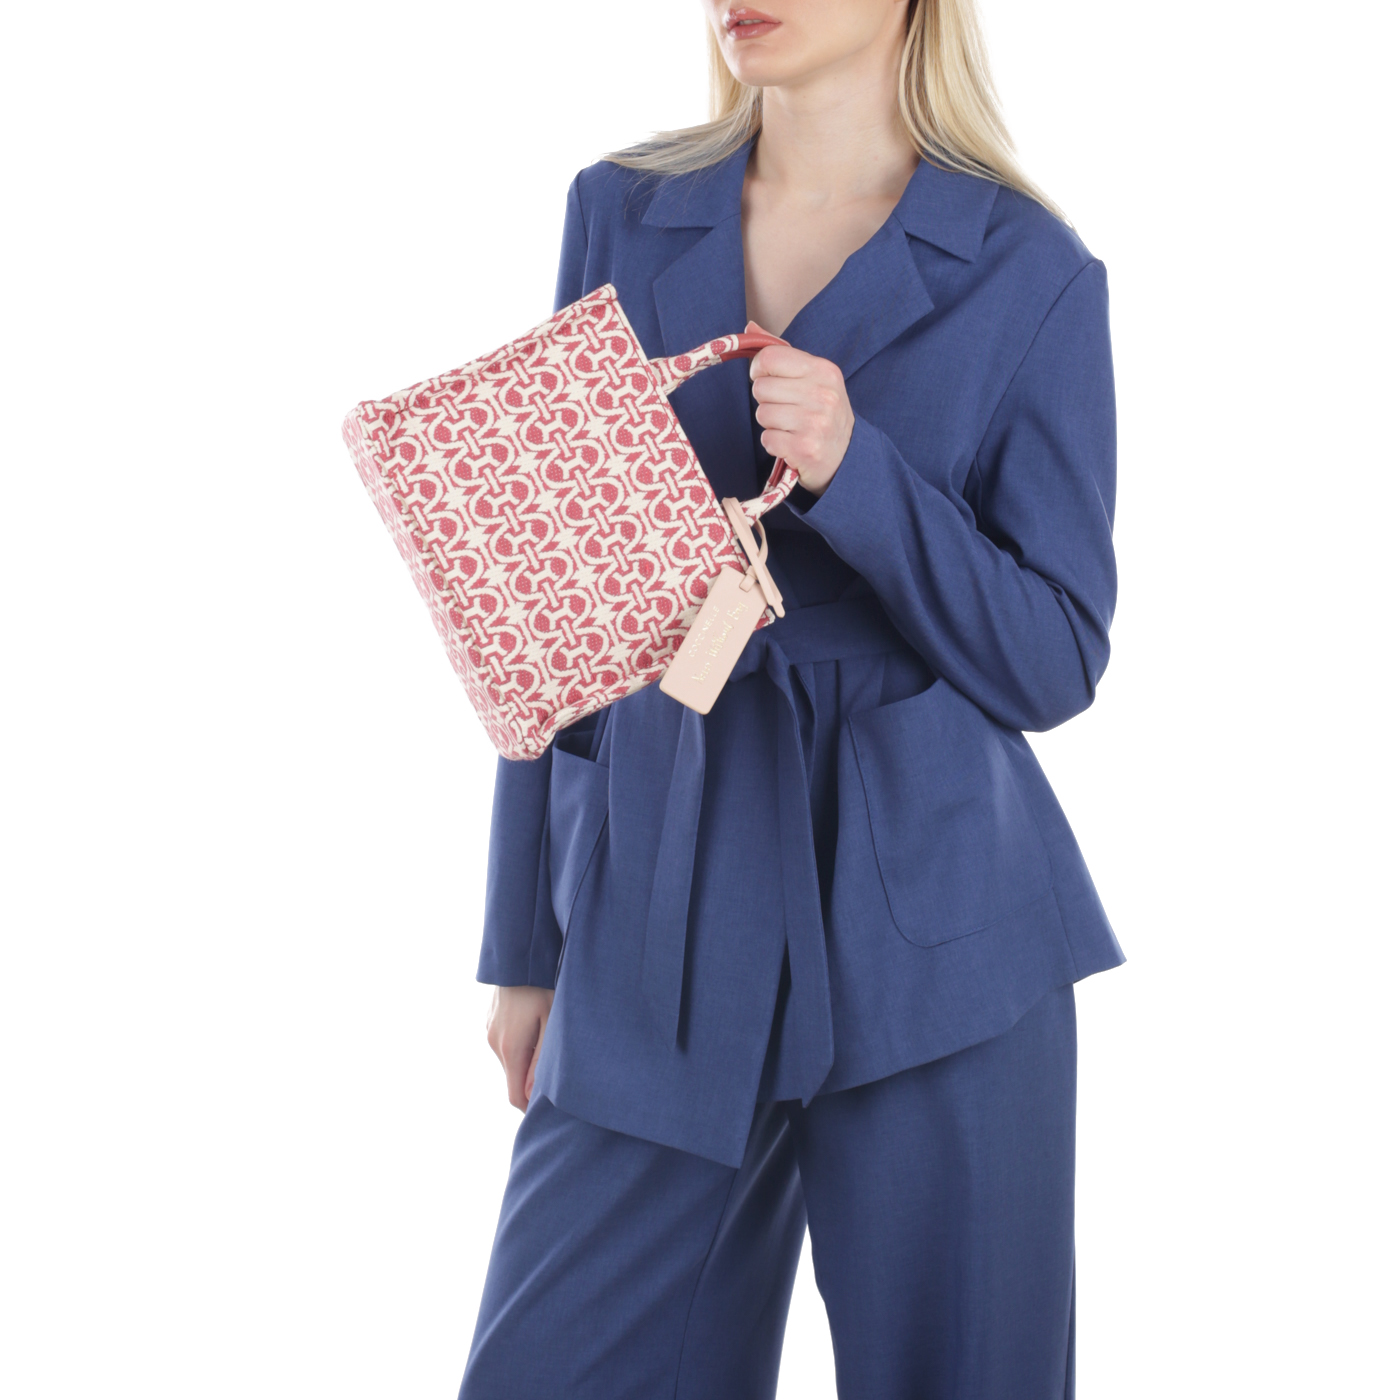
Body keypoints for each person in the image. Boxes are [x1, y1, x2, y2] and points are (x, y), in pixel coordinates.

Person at [463, 1, 1122, 1396]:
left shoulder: (1032, 268)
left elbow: (1056, 654)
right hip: (659, 895)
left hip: (937, 924)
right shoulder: (622, 212)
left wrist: (859, 472)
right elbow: (549, 602)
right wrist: (527, 944)